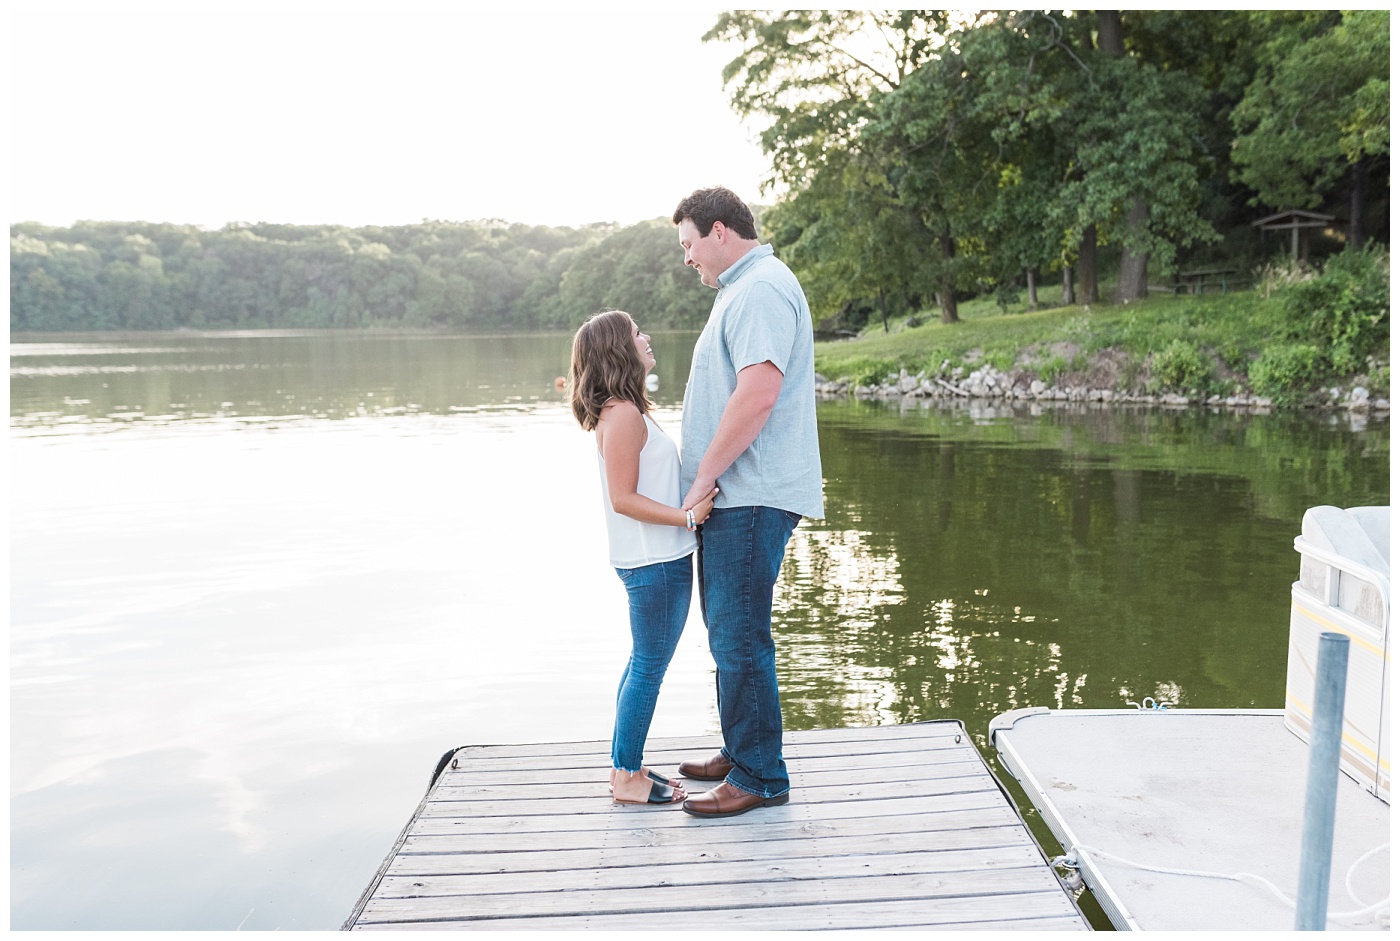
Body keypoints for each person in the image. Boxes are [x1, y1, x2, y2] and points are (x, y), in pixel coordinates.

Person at [671, 186, 824, 818]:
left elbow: (758, 394)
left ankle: (760, 775)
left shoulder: (760, 288)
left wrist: (704, 477)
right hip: (739, 494)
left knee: (738, 636)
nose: (686, 260)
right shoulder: (743, 287)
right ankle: (744, 749)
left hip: (747, 494)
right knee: (728, 633)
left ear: (718, 232)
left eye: (688, 245)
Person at [568, 310, 719, 806]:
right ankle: (627, 779)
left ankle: (624, 768)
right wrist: (689, 518)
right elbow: (623, 498)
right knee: (649, 667)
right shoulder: (625, 415)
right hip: (654, 563)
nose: (646, 337)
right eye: (636, 333)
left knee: (641, 663)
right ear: (618, 349)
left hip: (651, 560)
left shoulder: (622, 411)